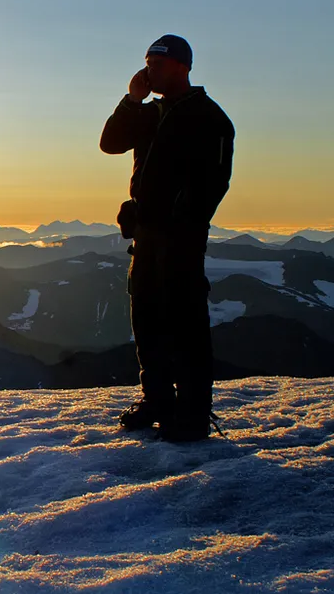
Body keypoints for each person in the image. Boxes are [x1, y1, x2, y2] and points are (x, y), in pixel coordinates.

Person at [99, 34, 235, 442]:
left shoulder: (209, 117)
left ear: (181, 66)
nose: (149, 70)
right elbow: (110, 144)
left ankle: (193, 415)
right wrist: (131, 101)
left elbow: (214, 182)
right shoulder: (151, 112)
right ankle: (157, 399)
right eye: (147, 63)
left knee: (185, 323)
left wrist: (181, 219)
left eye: (157, 64)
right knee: (147, 319)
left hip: (181, 238)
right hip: (146, 235)